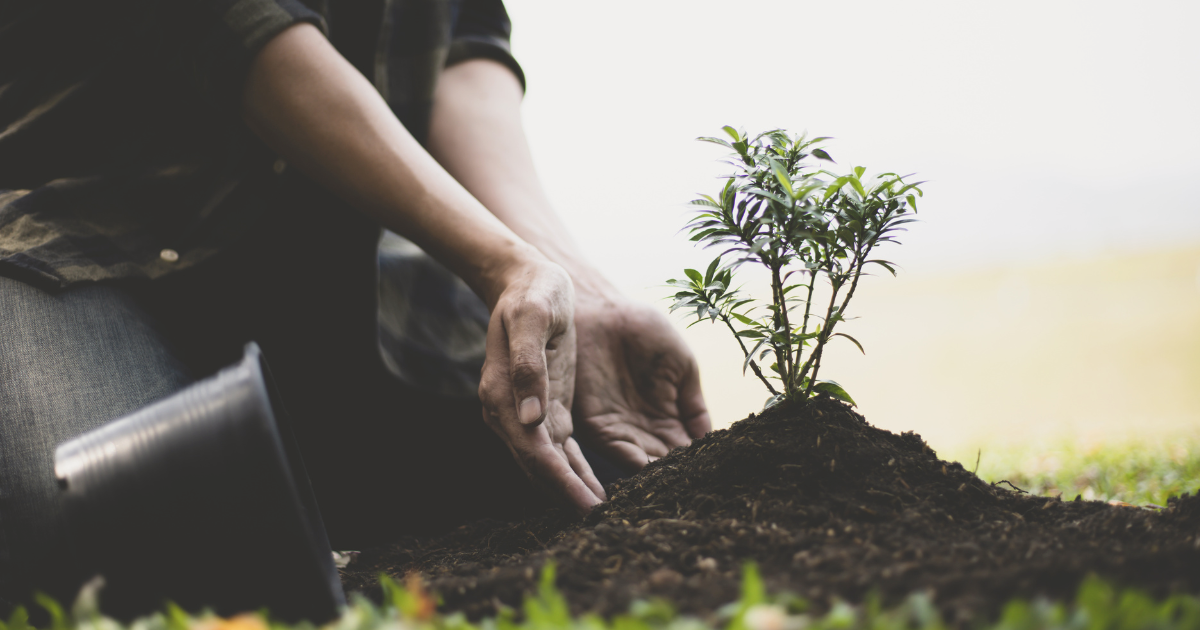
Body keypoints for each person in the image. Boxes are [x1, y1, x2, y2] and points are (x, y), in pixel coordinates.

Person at [0, 0, 710, 608]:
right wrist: (500, 261)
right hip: (72, 243)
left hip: (352, 278)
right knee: (112, 534)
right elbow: (234, 29)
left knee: (607, 480)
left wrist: (574, 289)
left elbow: (462, 49)